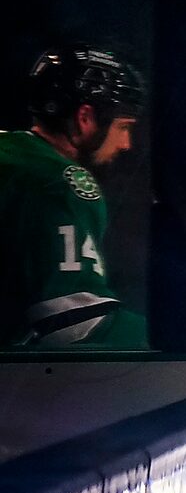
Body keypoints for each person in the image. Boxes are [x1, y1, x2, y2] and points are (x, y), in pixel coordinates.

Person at [2, 47, 145, 347]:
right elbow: (71, 322)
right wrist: (168, 345)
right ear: (85, 117)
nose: (126, 144)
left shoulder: (12, 156)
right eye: (123, 127)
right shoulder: (59, 181)